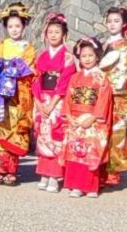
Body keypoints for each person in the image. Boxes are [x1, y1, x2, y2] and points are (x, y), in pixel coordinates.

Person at [0, 2, 36, 186]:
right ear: (5, 27)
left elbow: (29, 72)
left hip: (16, 98)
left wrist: (11, 70)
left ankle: (10, 170)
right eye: (10, 26)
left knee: (13, 130)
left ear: (24, 26)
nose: (14, 29)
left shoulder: (29, 49)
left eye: (17, 26)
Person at [61, 37, 113, 198]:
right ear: (79, 57)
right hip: (75, 120)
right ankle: (76, 186)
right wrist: (69, 117)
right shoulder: (75, 78)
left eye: (91, 55)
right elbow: (68, 98)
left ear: (97, 56)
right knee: (75, 152)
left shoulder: (101, 78)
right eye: (84, 56)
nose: (87, 59)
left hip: (92, 121)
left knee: (90, 153)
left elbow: (103, 100)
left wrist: (92, 118)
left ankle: (91, 186)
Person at [33, 12, 76, 193]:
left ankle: (55, 176)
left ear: (64, 35)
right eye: (50, 31)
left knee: (55, 135)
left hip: (58, 100)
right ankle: (44, 172)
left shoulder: (67, 57)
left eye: (57, 32)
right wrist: (38, 101)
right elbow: (35, 79)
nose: (53, 35)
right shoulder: (42, 56)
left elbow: (65, 80)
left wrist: (52, 104)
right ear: (45, 34)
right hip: (42, 98)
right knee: (43, 136)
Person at [98, 6, 127, 188]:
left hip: (118, 94)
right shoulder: (106, 43)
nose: (112, 24)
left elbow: (122, 71)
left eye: (116, 21)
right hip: (104, 92)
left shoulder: (124, 45)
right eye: (110, 21)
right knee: (103, 131)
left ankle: (113, 173)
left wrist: (109, 87)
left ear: (124, 24)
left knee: (116, 133)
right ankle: (101, 168)